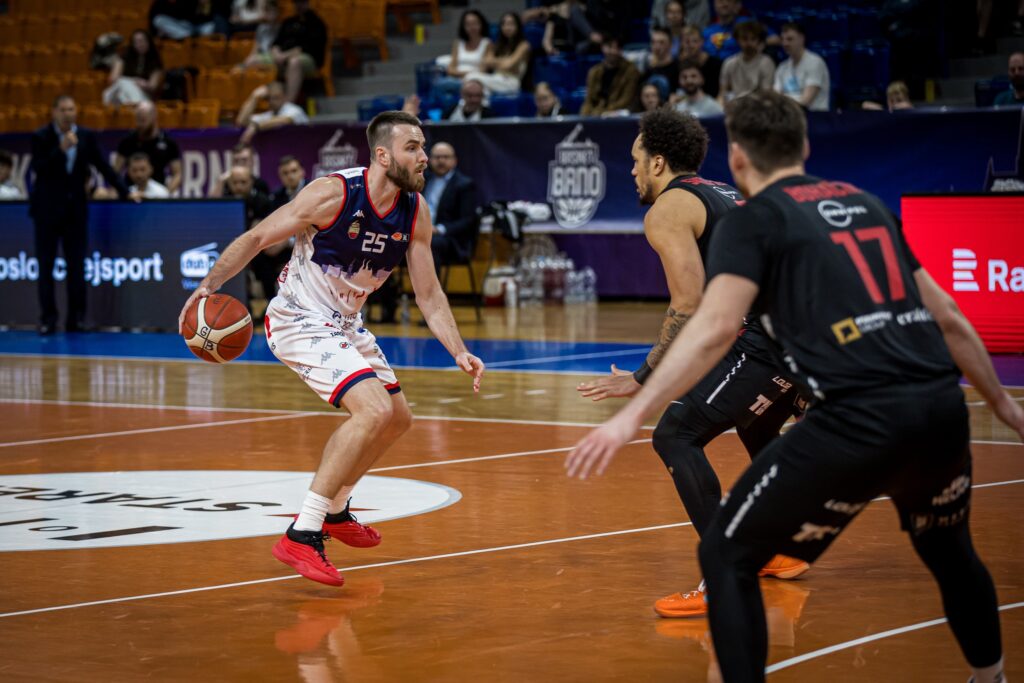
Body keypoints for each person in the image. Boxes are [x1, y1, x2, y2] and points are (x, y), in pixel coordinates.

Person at [568, 90, 1022, 683]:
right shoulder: (865, 202)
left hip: (850, 407)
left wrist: (639, 399)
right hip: (937, 402)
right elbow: (953, 320)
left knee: (723, 541)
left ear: (737, 160)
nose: (631, 167)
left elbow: (709, 322)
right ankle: (990, 676)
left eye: (634, 158)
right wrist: (1006, 407)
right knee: (950, 551)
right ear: (805, 146)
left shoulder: (746, 217)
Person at [178, 111, 484, 586]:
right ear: (382, 155)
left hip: (345, 323)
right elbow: (259, 237)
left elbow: (428, 294)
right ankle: (303, 532)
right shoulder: (333, 193)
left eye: (424, 147)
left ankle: (338, 510)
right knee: (372, 410)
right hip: (299, 317)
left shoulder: (416, 210)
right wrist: (207, 286)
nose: (424, 157)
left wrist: (458, 350)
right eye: (413, 148)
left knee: (399, 418)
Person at [577, 108, 807, 619]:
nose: (632, 171)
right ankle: (774, 546)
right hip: (800, 340)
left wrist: (644, 377)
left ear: (658, 162)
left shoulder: (667, 209)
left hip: (765, 344)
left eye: (636, 161)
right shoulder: (724, 192)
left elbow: (689, 303)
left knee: (675, 435)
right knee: (758, 426)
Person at [30, 95, 132, 335]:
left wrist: (125, 192)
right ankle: (48, 319)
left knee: (77, 267)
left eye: (72, 109)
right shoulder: (41, 137)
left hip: (75, 212)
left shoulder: (86, 136)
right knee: (46, 268)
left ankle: (76, 319)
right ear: (54, 111)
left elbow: (104, 166)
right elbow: (39, 168)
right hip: (46, 213)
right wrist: (60, 149)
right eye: (63, 109)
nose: (68, 114)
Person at [423, 142, 479, 276]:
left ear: (454, 161)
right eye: (437, 157)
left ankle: (431, 295)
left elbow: (468, 221)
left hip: (451, 240)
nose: (441, 161)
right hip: (421, 233)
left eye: (446, 157)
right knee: (388, 240)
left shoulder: (464, 185)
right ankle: (382, 294)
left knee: (431, 245)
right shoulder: (423, 180)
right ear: (429, 160)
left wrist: (438, 229)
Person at [114, 101, 183, 195]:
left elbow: (177, 173)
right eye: (138, 120)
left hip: (157, 194)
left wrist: (166, 194)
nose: (140, 124)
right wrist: (120, 192)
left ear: (154, 117)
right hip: (131, 194)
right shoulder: (127, 141)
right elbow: (115, 171)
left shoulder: (168, 142)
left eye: (143, 120)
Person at [269, 0, 327, 104]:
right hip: (282, 55)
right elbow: (276, 42)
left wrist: (285, 55)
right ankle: (259, 101)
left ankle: (288, 103)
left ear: (308, 3)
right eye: (297, 2)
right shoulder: (288, 22)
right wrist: (276, 53)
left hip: (308, 58)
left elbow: (309, 47)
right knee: (254, 60)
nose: (299, 5)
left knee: (294, 62)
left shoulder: (316, 22)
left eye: (302, 2)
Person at [464, 12, 531, 95]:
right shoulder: (498, 45)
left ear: (518, 26)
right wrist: (504, 61)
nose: (507, 27)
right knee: (481, 89)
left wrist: (496, 62)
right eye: (504, 24)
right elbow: (486, 61)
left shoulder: (524, 45)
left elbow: (509, 64)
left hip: (511, 82)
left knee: (470, 77)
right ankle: (483, 107)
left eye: (511, 24)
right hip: (496, 78)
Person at [773, 22, 830, 112]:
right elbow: (775, 98)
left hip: (815, 118)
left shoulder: (815, 62)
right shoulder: (782, 67)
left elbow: (805, 102)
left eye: (790, 39)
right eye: (782, 39)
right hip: (789, 116)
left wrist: (783, 101)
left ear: (802, 39)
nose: (785, 43)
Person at [580, 35, 640, 116]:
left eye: (617, 48)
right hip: (595, 115)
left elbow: (626, 100)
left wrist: (602, 113)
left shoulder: (631, 71)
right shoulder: (594, 71)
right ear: (603, 47)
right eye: (610, 47)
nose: (613, 51)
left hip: (617, 117)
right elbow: (588, 100)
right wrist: (585, 116)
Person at [103, 29, 164, 105]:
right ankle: (135, 106)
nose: (139, 44)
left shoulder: (155, 62)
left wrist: (145, 85)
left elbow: (153, 86)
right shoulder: (123, 58)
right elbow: (113, 79)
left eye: (142, 41)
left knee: (125, 93)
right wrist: (133, 81)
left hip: (142, 93)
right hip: (119, 90)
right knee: (122, 84)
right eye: (136, 42)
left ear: (149, 42)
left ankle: (133, 106)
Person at [237, 81, 310, 145]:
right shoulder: (268, 115)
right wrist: (254, 97)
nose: (272, 101)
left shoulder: (294, 109)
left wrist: (255, 127)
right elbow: (242, 122)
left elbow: (285, 120)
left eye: (276, 97)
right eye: (269, 98)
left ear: (284, 97)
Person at [718, 20, 774, 104]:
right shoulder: (729, 63)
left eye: (753, 39)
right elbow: (723, 93)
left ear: (759, 41)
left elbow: (766, 95)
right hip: (735, 107)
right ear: (737, 40)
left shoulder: (766, 63)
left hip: (758, 107)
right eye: (745, 39)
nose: (749, 43)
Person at [680, 25, 722, 99]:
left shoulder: (716, 64)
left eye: (695, 41)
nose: (691, 45)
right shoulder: (681, 64)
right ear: (682, 44)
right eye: (687, 42)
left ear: (702, 42)